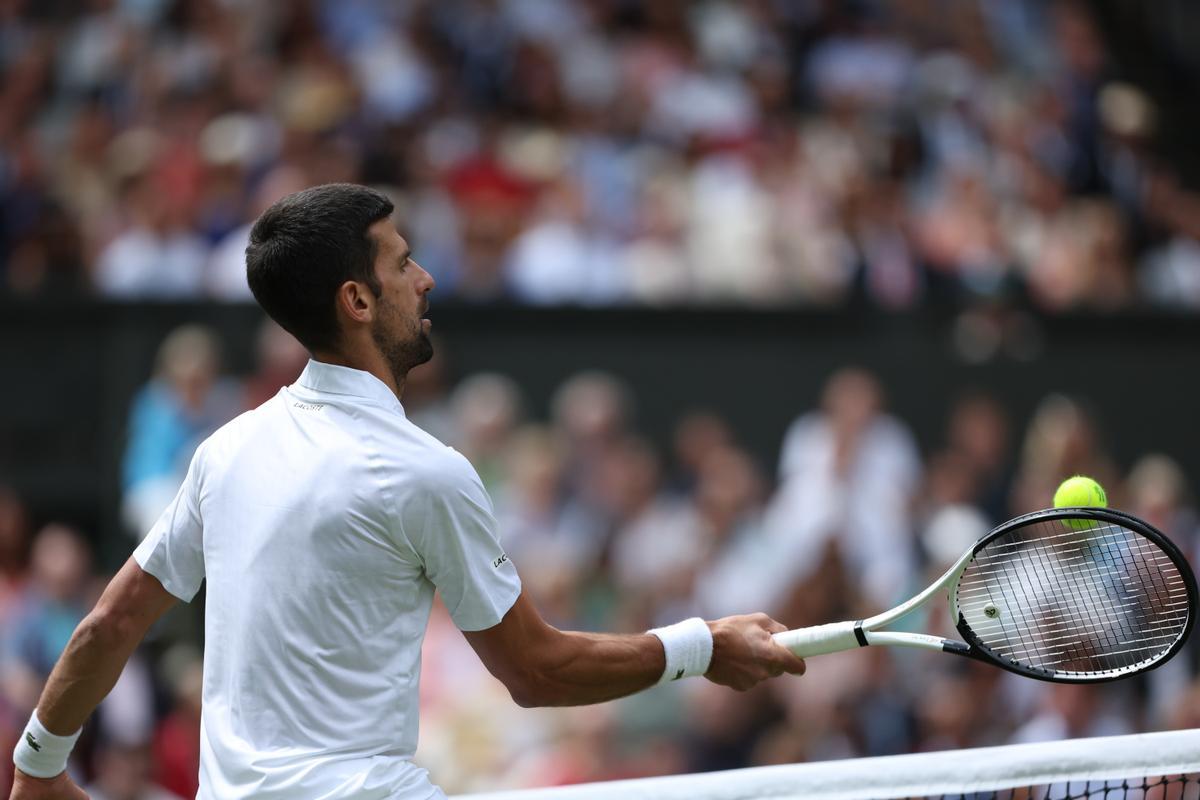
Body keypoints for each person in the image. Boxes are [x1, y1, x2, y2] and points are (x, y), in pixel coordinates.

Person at [9, 183, 805, 800]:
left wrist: (37, 765)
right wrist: (705, 646)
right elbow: (538, 671)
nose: (424, 279)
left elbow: (108, 624)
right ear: (356, 301)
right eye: (401, 263)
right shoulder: (427, 472)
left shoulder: (225, 452)